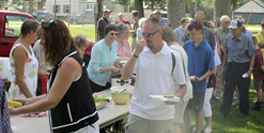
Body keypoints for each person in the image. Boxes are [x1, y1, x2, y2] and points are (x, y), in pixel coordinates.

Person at [9, 19, 99, 133]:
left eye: (43, 39)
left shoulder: (69, 63)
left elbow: (51, 101)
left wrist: (14, 111)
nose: (41, 43)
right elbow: (53, 94)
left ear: (54, 41)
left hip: (80, 128)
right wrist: (29, 101)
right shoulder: (64, 60)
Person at [121, 18, 187, 133]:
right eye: (143, 34)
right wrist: (135, 54)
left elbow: (183, 86)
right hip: (138, 111)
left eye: (149, 35)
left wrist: (177, 98)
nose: (145, 38)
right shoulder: (139, 52)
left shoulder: (173, 56)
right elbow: (125, 76)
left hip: (163, 115)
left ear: (160, 33)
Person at [218, 20, 255, 119]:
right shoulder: (229, 38)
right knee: (227, 90)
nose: (232, 31)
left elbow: (252, 55)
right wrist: (224, 67)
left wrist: (250, 69)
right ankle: (224, 112)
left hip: (243, 67)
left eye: (234, 29)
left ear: (240, 28)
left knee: (243, 91)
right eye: (231, 29)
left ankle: (244, 111)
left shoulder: (247, 39)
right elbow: (226, 53)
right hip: (231, 67)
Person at [183, 20, 215, 133]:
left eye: (193, 34)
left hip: (199, 84)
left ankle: (198, 131)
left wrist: (201, 79)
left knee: (198, 109)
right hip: (186, 83)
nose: (190, 36)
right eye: (189, 34)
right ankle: (188, 129)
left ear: (200, 32)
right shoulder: (187, 44)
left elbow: (212, 69)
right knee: (185, 108)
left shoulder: (207, 49)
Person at [162, 26, 193, 133]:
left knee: (174, 124)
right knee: (173, 123)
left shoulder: (172, 50)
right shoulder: (177, 47)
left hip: (179, 88)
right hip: (183, 87)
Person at [8, 20, 49, 99]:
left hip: (29, 94)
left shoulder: (28, 46)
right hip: (20, 96)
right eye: (38, 34)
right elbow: (19, 79)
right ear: (31, 33)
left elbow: (36, 69)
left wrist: (50, 74)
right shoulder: (20, 49)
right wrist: (31, 100)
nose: (38, 37)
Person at [88, 24, 120, 93]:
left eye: (116, 34)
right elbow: (94, 69)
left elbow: (112, 58)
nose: (114, 36)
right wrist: (111, 68)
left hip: (105, 81)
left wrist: (127, 60)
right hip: (93, 82)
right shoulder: (98, 47)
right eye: (111, 34)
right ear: (105, 35)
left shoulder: (115, 44)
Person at [214, 15, 231, 100]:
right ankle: (217, 93)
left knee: (229, 75)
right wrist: (220, 47)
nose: (228, 24)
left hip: (229, 57)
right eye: (226, 22)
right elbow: (215, 43)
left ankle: (229, 93)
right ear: (221, 23)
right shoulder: (216, 32)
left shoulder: (231, 31)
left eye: (229, 22)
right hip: (220, 57)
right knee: (219, 75)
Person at [251, 36, 263, 111]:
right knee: (258, 88)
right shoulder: (259, 51)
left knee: (258, 88)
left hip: (258, 74)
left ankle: (259, 103)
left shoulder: (257, 54)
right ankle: (259, 101)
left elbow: (260, 65)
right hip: (257, 73)